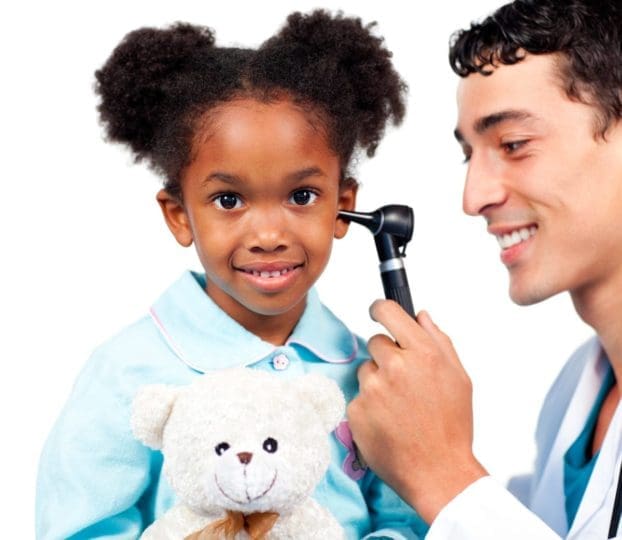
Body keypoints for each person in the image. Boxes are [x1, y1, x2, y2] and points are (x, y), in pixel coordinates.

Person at [35, 11, 429, 540]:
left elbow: (408, 519)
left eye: (302, 196)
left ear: (343, 206)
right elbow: (78, 529)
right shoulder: (126, 372)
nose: (268, 233)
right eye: (229, 200)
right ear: (179, 215)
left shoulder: (368, 374)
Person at [347, 0, 622, 538]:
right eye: (470, 154)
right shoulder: (576, 394)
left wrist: (443, 475)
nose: (473, 198)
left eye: (514, 145)